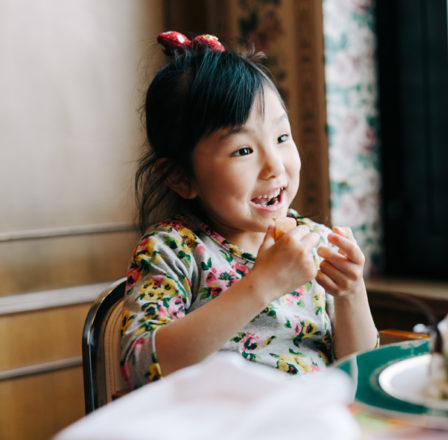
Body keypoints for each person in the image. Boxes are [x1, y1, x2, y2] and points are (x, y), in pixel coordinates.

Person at [119, 31, 379, 389]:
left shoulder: (313, 244)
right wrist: (262, 285)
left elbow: (357, 372)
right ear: (180, 177)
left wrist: (351, 294)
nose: (274, 166)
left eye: (282, 138)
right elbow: (141, 364)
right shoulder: (174, 250)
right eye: (243, 150)